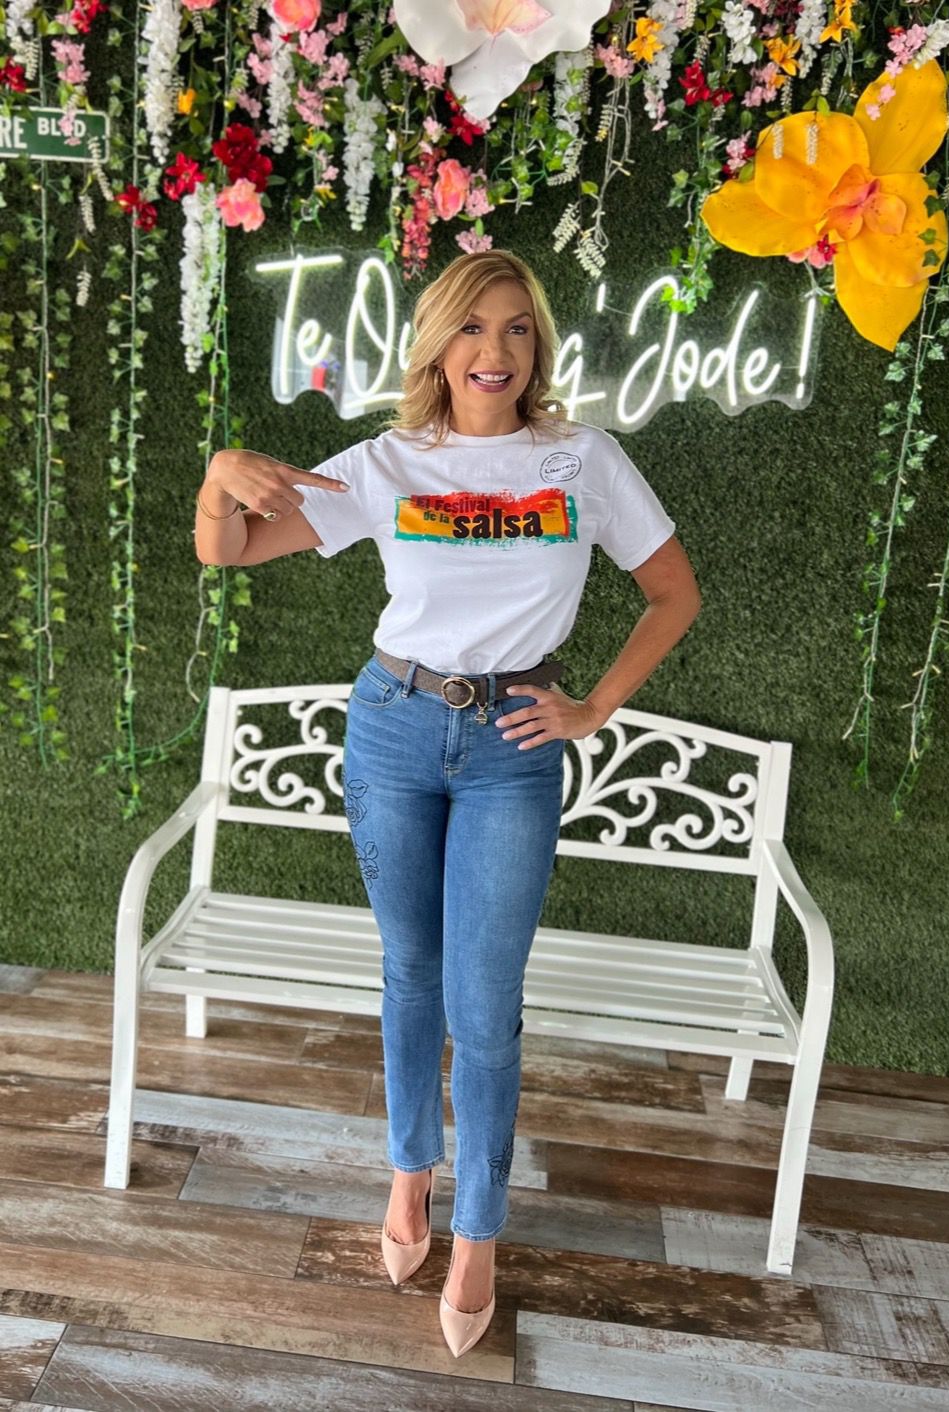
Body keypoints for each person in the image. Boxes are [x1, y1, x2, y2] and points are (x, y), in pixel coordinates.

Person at [194, 249, 701, 1358]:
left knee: (486, 1000)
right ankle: (408, 1170)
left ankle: (478, 1228)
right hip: (393, 727)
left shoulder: (584, 459)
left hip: (514, 744)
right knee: (410, 970)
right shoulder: (388, 463)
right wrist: (220, 475)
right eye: (473, 328)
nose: (495, 351)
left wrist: (593, 708)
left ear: (538, 346)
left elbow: (673, 594)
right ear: (438, 344)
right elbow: (227, 549)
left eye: (517, 329)